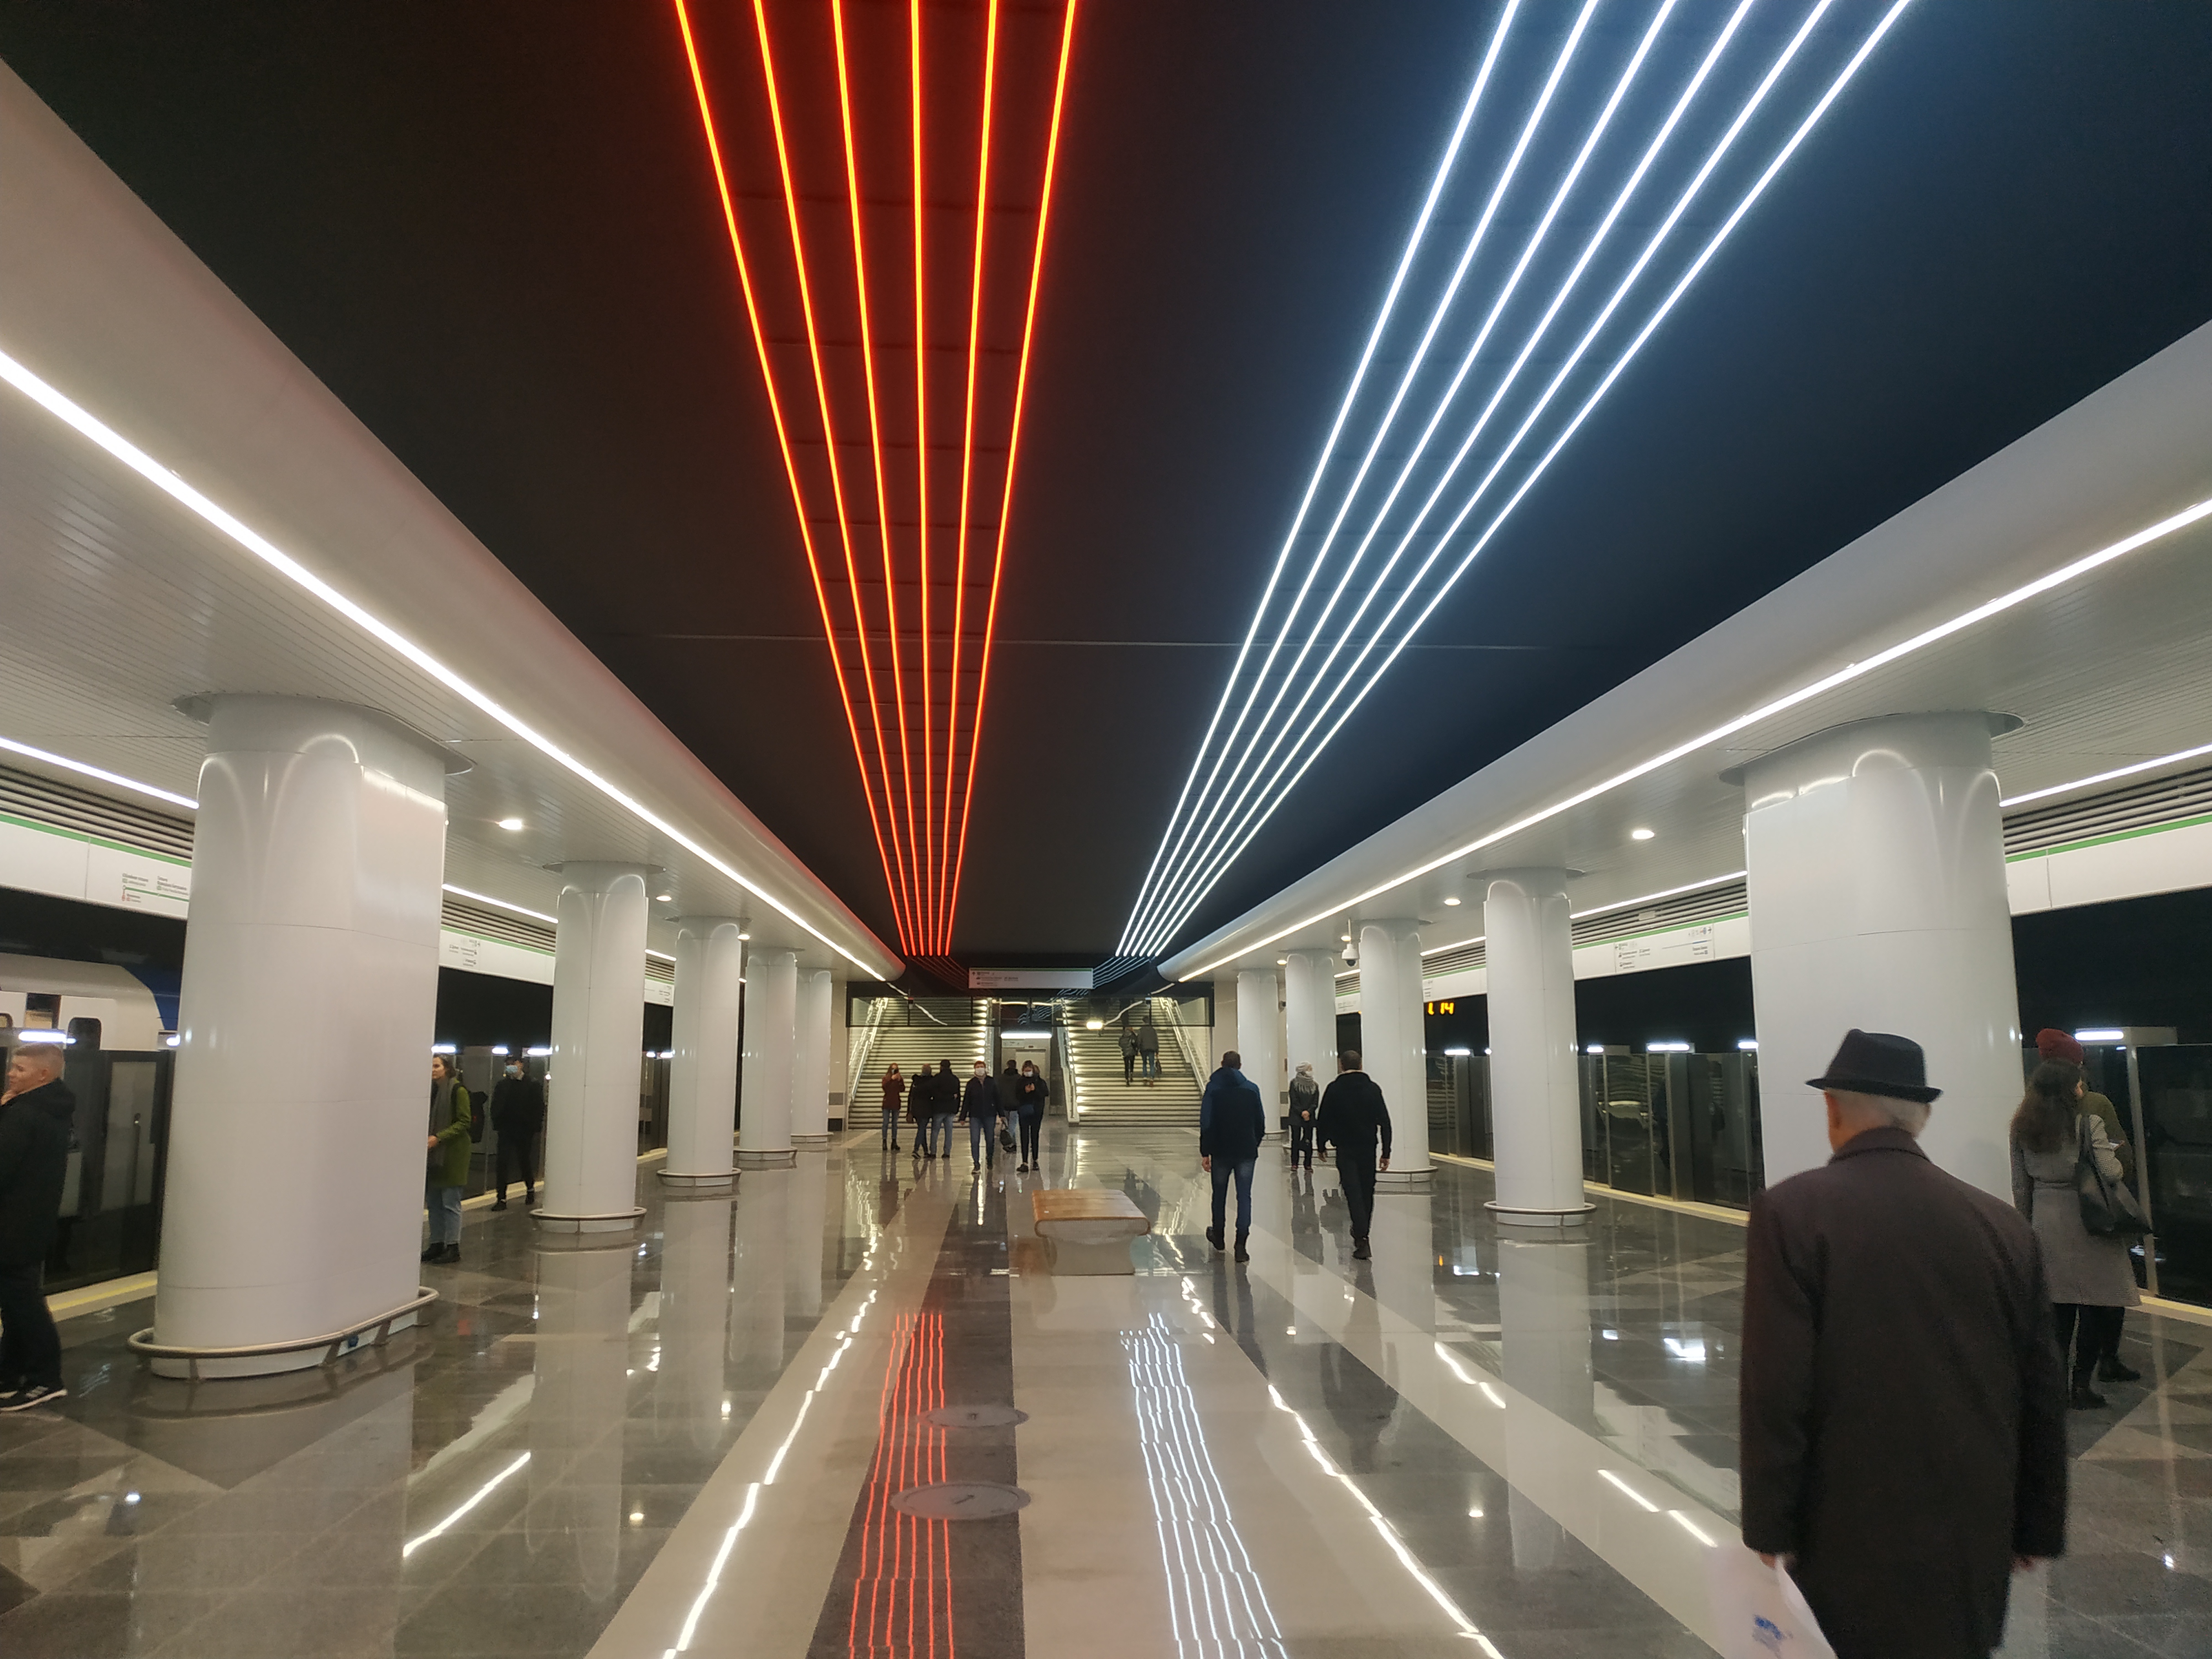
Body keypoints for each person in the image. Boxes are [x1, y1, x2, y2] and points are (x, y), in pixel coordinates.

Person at [1741, 1029, 2066, 1659]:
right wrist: (2034, 1524)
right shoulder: (2002, 1225)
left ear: (1832, 1108)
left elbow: (1776, 1386)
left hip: (1843, 1527)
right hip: (1974, 1525)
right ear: (1922, 1118)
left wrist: (1770, 1524)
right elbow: (2040, 1391)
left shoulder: (1792, 1212)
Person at [2011, 1056, 2141, 1408]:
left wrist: (2028, 1226)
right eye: (2078, 1082)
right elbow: (2110, 1172)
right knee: (2096, 1305)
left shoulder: (2022, 1128)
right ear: (2068, 1089)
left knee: (2058, 1310)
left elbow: (2020, 1185)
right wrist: (2113, 1156)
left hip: (2046, 1219)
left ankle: (2053, 1388)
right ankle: (2081, 1387)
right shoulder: (2088, 1124)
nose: (2082, 1087)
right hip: (2088, 1220)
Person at [0, 1042, 75, 1411]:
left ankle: (46, 1379)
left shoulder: (24, 1114)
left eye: (20, 1069)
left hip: (10, 1224)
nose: (11, 1074)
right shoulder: (53, 1108)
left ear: (43, 1074)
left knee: (21, 1302)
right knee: (16, 1300)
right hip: (31, 1221)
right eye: (12, 1068)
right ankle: (9, 1372)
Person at [1315, 1049, 1390, 1260]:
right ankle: (1363, 1233)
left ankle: (1361, 1235)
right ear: (1361, 1065)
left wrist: (1321, 1145)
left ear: (1341, 1065)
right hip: (1368, 1147)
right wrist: (1386, 1152)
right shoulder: (1373, 1089)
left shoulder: (1334, 1089)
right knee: (1367, 1190)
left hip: (1345, 1148)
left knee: (1352, 1190)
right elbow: (1385, 1122)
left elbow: (1324, 1119)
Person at [1199, 1050, 1267, 1262]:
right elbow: (1260, 1122)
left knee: (1219, 1195)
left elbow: (1206, 1122)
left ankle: (1219, 1237)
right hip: (1246, 1150)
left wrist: (1205, 1152)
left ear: (1222, 1064)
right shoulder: (1252, 1089)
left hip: (1221, 1151)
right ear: (1240, 1066)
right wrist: (1254, 1142)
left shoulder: (1213, 1089)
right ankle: (1241, 1246)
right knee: (1244, 1196)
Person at [424, 1053, 474, 1265]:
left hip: (452, 1154)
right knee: (434, 1202)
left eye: (437, 1066)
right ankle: (437, 1243)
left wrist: (439, 1137)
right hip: (434, 1156)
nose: (433, 1070)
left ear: (447, 1068)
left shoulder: (457, 1090)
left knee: (450, 1203)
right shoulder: (431, 1091)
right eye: (431, 1066)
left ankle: (453, 1246)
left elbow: (464, 1121)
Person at [487, 1056, 544, 1210]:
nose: (510, 1067)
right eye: (508, 1064)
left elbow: (538, 1108)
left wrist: (534, 1127)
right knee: (502, 1163)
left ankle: (530, 1188)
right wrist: (497, 1123)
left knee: (524, 1160)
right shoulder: (503, 1085)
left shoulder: (532, 1084)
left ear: (521, 1065)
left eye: (513, 1064)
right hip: (506, 1129)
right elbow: (496, 1105)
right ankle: (501, 1198)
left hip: (524, 1130)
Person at [963, 1060, 998, 1170]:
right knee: (974, 1140)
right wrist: (963, 1116)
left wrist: (1001, 1114)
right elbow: (967, 1100)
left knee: (990, 1139)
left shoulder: (991, 1082)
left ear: (985, 1068)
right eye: (978, 1067)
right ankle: (976, 1163)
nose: (980, 1069)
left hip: (990, 1114)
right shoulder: (971, 1083)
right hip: (975, 1115)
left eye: (981, 1066)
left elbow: (997, 1098)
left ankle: (990, 1158)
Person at [1015, 1060, 1050, 1172]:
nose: (1028, 1072)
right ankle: (1024, 1161)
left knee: (1035, 1136)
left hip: (1037, 1112)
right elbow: (1017, 1096)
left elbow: (1045, 1093)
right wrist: (1025, 1091)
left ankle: (1035, 1160)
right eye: (1026, 1071)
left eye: (1029, 1070)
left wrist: (1035, 1091)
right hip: (1024, 1112)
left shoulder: (1040, 1082)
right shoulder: (1020, 1082)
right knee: (1024, 1136)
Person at [1287, 1061, 1320, 1171]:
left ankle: (1308, 1163)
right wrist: (1302, 1112)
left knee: (1308, 1140)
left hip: (1309, 1117)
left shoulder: (1315, 1085)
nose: (1311, 1071)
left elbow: (1315, 1102)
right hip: (1296, 1116)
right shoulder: (1294, 1084)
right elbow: (1294, 1100)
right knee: (1295, 1140)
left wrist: (1309, 1112)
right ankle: (1294, 1163)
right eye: (1309, 1069)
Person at [880, 1063, 905, 1152]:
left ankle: (894, 1141)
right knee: (886, 1123)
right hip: (887, 1103)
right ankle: (884, 1141)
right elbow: (884, 1087)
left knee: (895, 1123)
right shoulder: (886, 1078)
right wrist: (891, 1079)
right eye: (893, 1069)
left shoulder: (899, 1079)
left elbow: (902, 1089)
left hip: (896, 1103)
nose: (894, 1071)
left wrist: (899, 1081)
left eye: (896, 1069)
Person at [1137, 1015, 1160, 1082]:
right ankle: (1152, 1077)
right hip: (1152, 1049)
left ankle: (1145, 1076)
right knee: (1152, 1064)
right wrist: (1157, 1051)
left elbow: (1139, 1040)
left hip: (1143, 1049)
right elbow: (1156, 1041)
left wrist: (1138, 1049)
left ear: (1143, 1022)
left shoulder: (1141, 1030)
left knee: (1144, 1063)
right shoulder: (1153, 1030)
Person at [1119, 1016, 1139, 1087]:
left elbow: (1120, 1044)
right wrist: (1136, 1050)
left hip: (1125, 1053)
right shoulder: (1133, 1035)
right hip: (1132, 1052)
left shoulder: (1123, 1036)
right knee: (1132, 1064)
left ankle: (1127, 1079)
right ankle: (1131, 1074)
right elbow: (1135, 1043)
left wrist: (1124, 1049)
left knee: (1126, 1066)